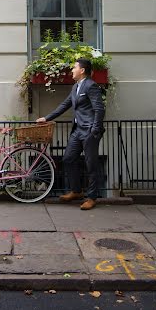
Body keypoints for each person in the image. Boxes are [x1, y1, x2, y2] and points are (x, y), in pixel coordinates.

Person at [36, 58, 105, 210]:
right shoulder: (76, 87)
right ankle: (76, 191)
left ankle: (92, 198)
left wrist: (94, 130)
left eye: (74, 68)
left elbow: (99, 109)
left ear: (82, 70)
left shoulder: (91, 85)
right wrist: (46, 118)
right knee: (68, 159)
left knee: (91, 164)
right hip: (77, 130)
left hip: (89, 131)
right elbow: (64, 105)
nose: (71, 70)